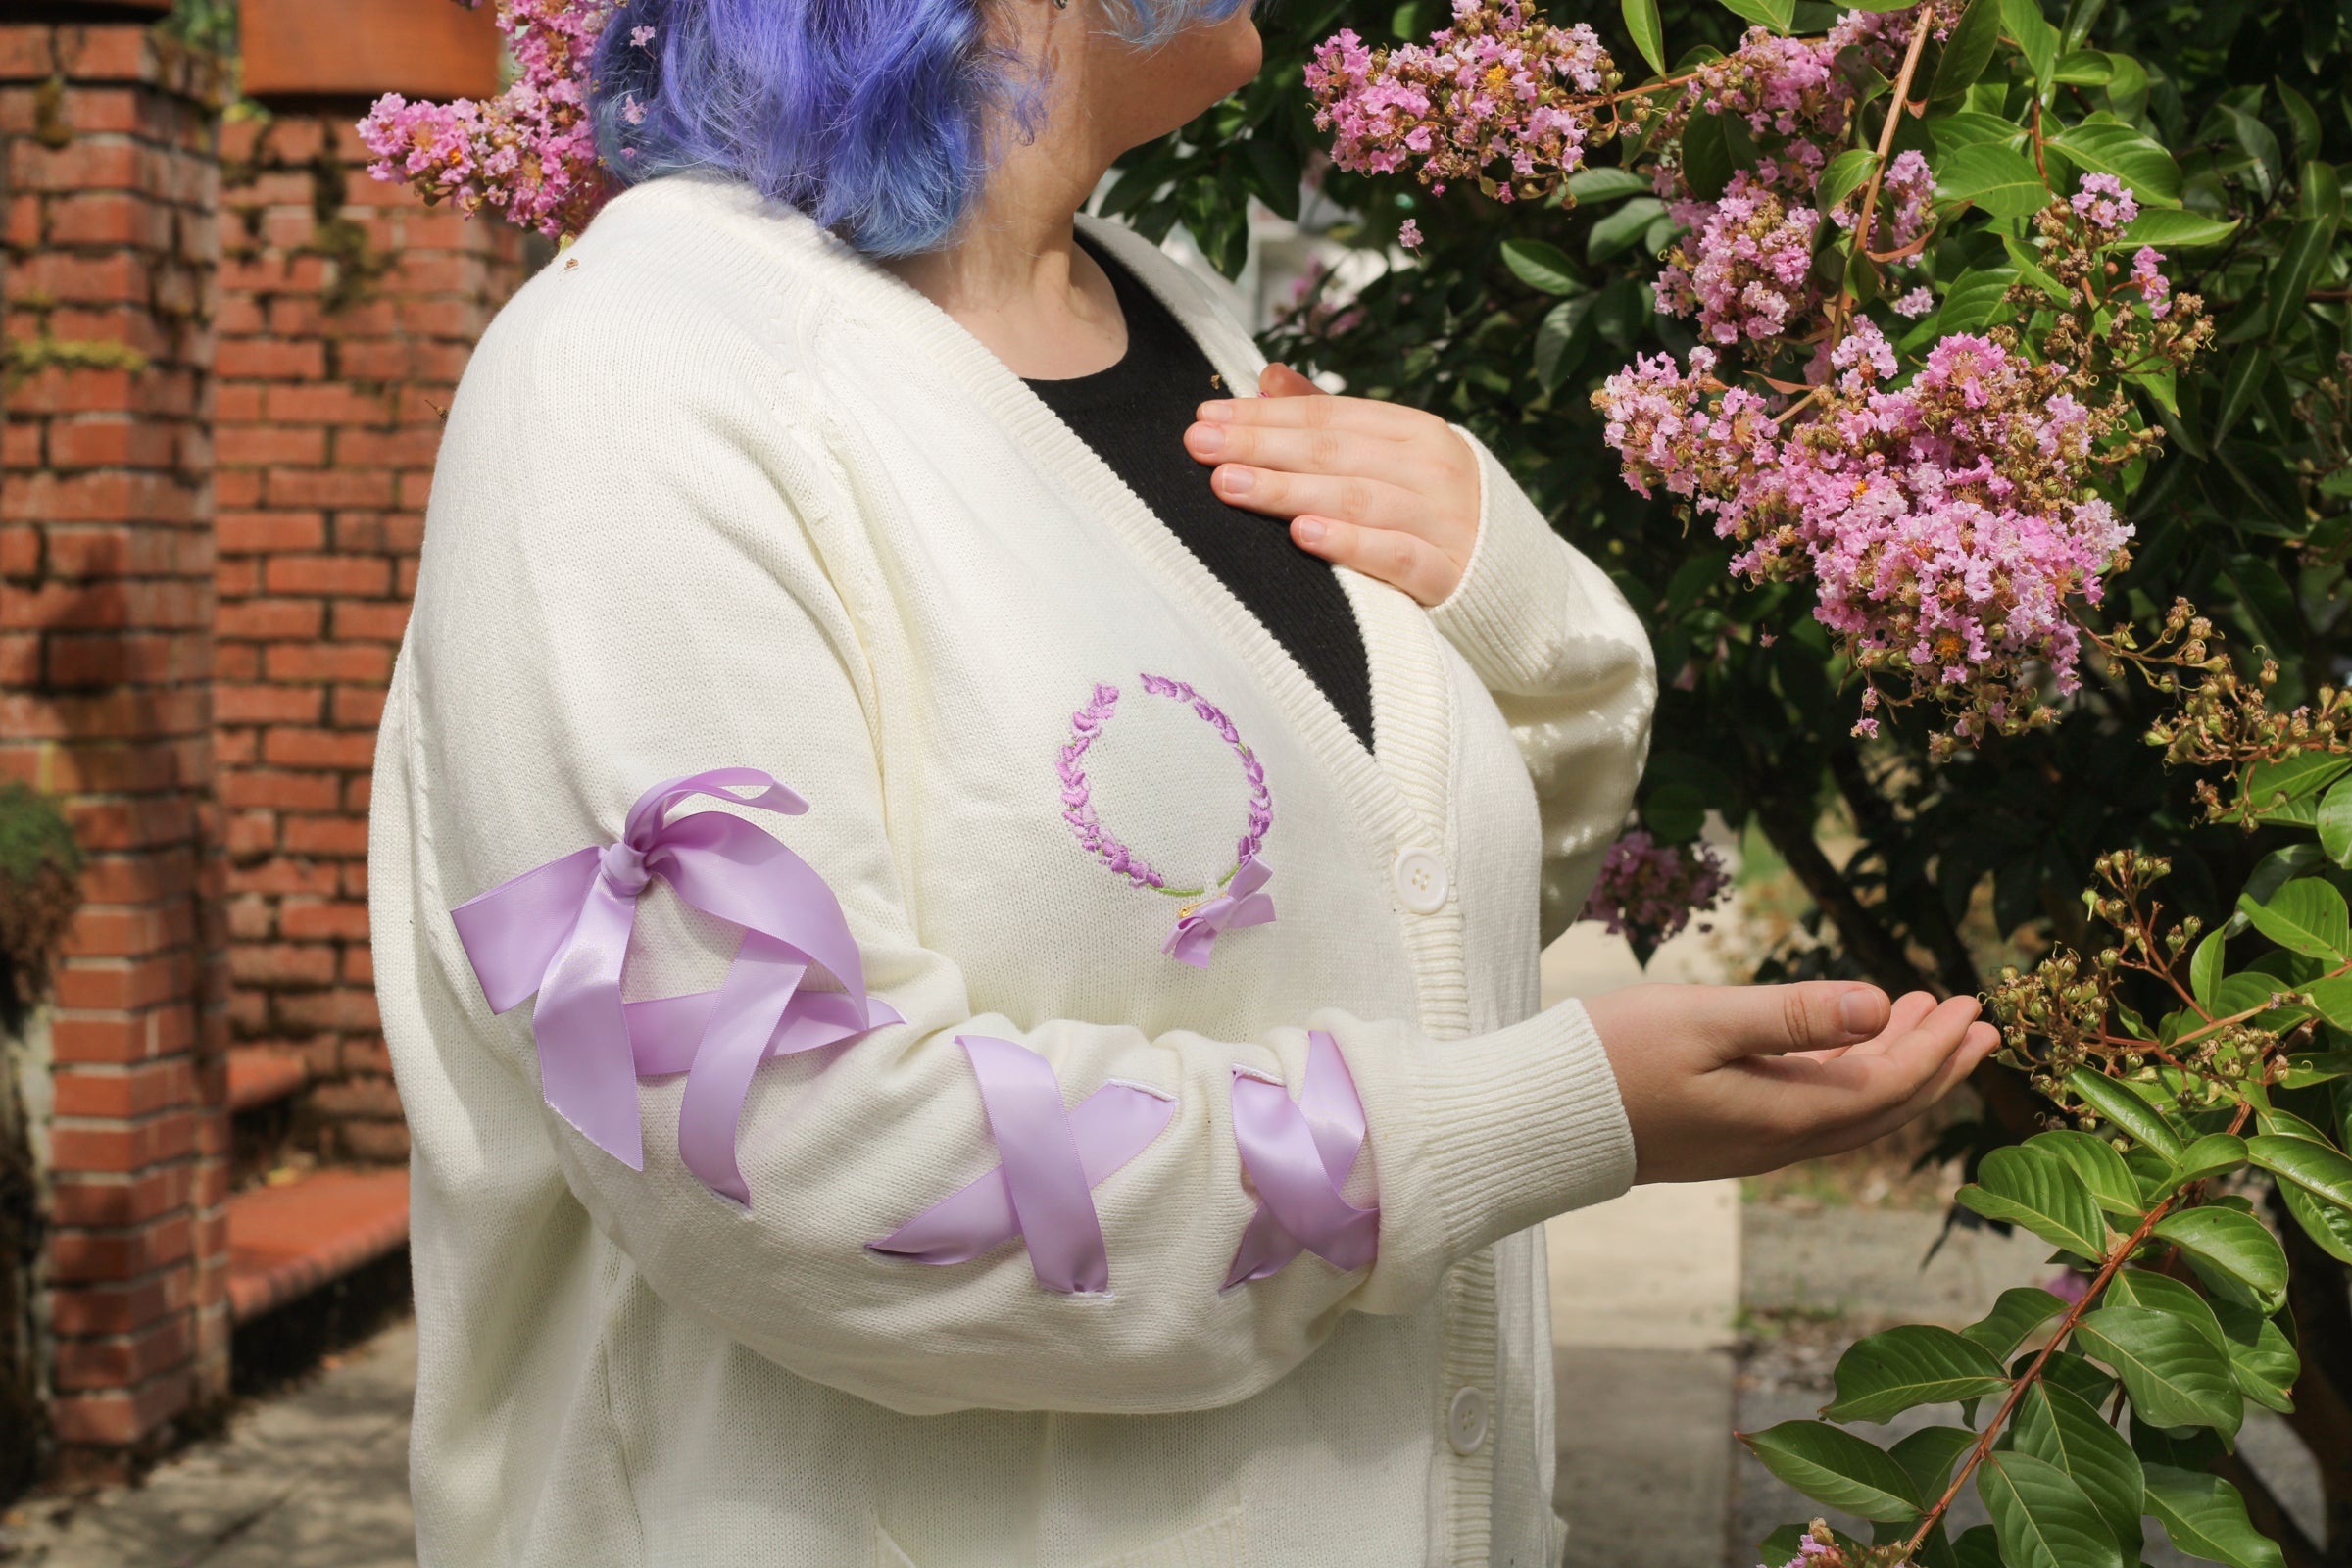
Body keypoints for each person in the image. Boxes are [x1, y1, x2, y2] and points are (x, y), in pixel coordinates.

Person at [368, 1, 1999, 1563]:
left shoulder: (1176, 325)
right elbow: (799, 1168)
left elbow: (1423, 915)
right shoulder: (635, 386)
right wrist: (1533, 1123)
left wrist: (1514, 591)